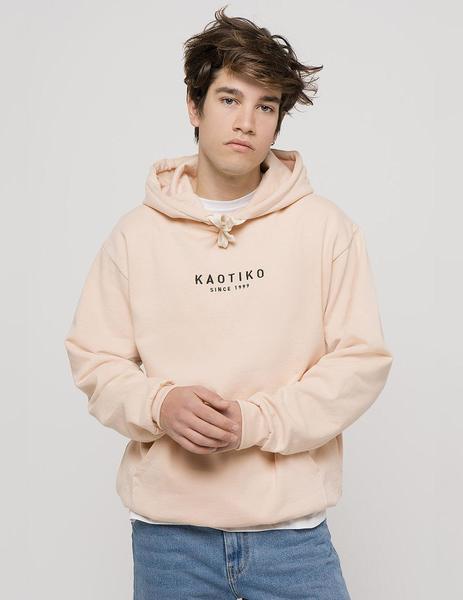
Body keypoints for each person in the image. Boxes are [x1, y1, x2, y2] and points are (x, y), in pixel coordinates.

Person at [64, 5, 393, 599]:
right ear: (195, 106)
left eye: (266, 106)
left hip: (292, 536)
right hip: (170, 539)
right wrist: (160, 404)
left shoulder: (326, 230)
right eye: (229, 98)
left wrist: (253, 422)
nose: (246, 122)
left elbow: (360, 363)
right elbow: (95, 361)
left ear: (278, 123)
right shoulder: (136, 236)